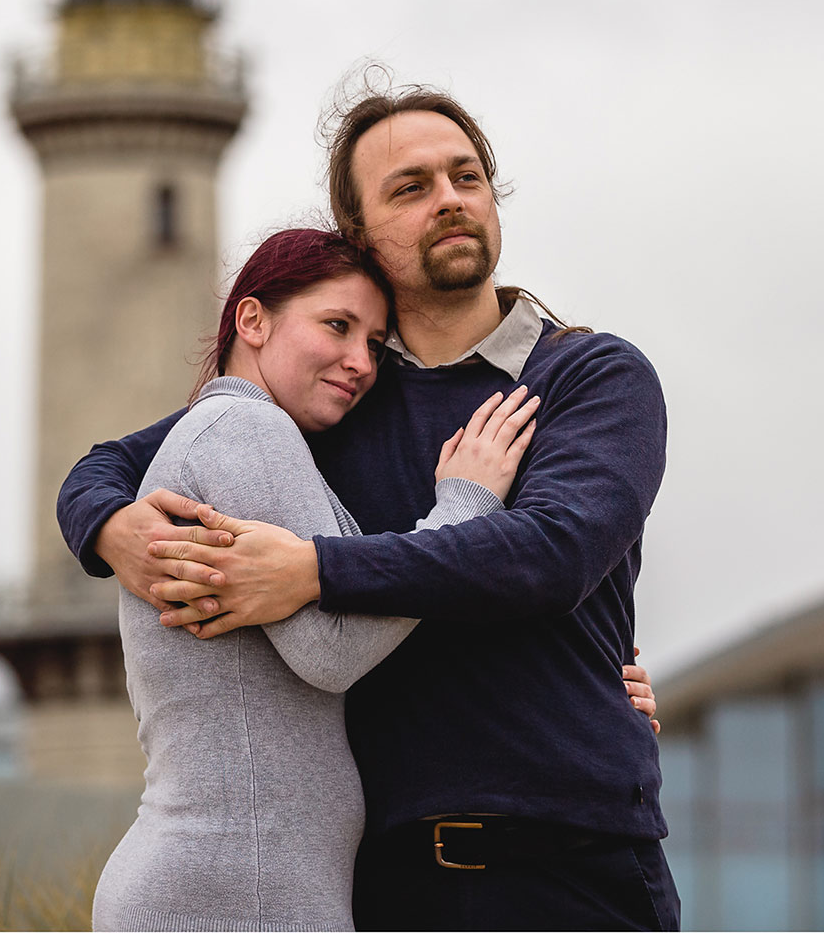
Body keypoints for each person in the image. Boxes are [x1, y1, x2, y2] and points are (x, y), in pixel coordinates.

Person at [61, 80, 678, 931]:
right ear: (359, 238)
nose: (450, 200)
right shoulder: (335, 396)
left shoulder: (590, 376)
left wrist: (314, 571)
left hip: (573, 867)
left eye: (467, 177)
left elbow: (552, 554)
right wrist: (111, 527)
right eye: (411, 187)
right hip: (382, 884)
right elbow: (117, 460)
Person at [92, 227, 542, 930]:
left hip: (247, 874)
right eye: (337, 325)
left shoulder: (249, 433)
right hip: (235, 882)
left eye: (374, 340)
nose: (360, 360)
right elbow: (332, 650)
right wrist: (462, 506)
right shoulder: (247, 432)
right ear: (253, 318)